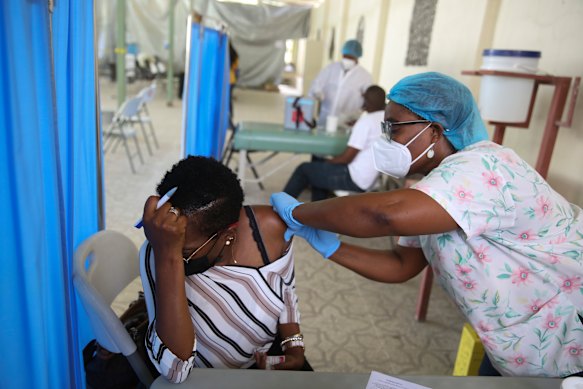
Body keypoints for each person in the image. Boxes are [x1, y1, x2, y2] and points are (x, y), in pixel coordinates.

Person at [270, 72, 583, 378]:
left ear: (434, 131)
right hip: (516, 343)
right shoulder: (432, 189)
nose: (386, 139)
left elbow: (384, 215)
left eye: (393, 128)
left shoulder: (484, 166)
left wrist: (299, 212)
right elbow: (402, 264)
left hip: (570, 330)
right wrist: (332, 248)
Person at [140, 156, 308, 383]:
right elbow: (175, 371)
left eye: (185, 249)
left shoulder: (268, 229)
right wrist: (167, 256)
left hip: (270, 358)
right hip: (205, 378)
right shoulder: (159, 248)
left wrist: (294, 347)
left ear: (228, 236)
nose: (177, 252)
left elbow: (287, 291)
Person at [283, 85, 386, 201]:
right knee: (318, 166)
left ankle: (278, 209)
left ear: (366, 102)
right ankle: (317, 209)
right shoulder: (385, 119)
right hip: (370, 178)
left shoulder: (366, 122)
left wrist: (328, 161)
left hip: (354, 178)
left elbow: (347, 158)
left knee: (303, 170)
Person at [309, 39, 372, 127]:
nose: (348, 59)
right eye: (346, 56)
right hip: (325, 116)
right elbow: (316, 84)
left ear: (357, 57)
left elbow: (369, 100)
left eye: (351, 57)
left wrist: (356, 116)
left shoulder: (365, 76)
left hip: (347, 121)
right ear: (342, 54)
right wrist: (317, 93)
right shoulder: (331, 68)